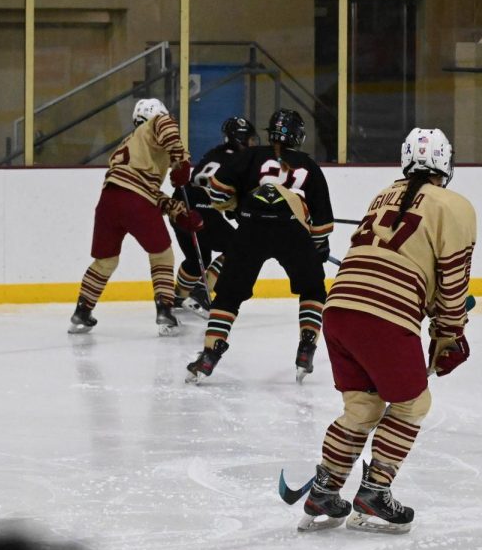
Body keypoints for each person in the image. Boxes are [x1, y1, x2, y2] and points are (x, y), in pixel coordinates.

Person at [295, 127, 475, 534]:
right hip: (385, 313)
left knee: (363, 408)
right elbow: (453, 280)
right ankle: (375, 491)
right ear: (446, 164)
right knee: (412, 404)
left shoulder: (383, 195)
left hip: (339, 308)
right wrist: (451, 332)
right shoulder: (455, 204)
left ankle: (325, 490)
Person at [185, 108, 333, 384]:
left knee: (228, 295)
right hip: (292, 231)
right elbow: (322, 224)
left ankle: (210, 353)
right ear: (298, 136)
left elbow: (217, 190)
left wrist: (235, 205)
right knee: (313, 289)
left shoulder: (249, 156)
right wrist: (318, 246)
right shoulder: (309, 166)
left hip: (251, 228)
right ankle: (306, 347)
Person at [68, 98, 201, 337]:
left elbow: (145, 189)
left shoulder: (130, 143)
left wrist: (175, 209)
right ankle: (165, 311)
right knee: (162, 254)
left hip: (108, 202)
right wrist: (180, 159)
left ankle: (82, 311)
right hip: (135, 201)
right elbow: (166, 127)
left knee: (105, 261)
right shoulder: (155, 125)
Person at [169, 116, 257, 316]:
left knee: (196, 259)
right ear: (241, 138)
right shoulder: (241, 160)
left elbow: (201, 183)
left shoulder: (213, 153)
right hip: (202, 212)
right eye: (250, 139)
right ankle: (201, 292)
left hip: (180, 210)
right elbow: (233, 192)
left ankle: (178, 298)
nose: (253, 143)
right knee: (238, 247)